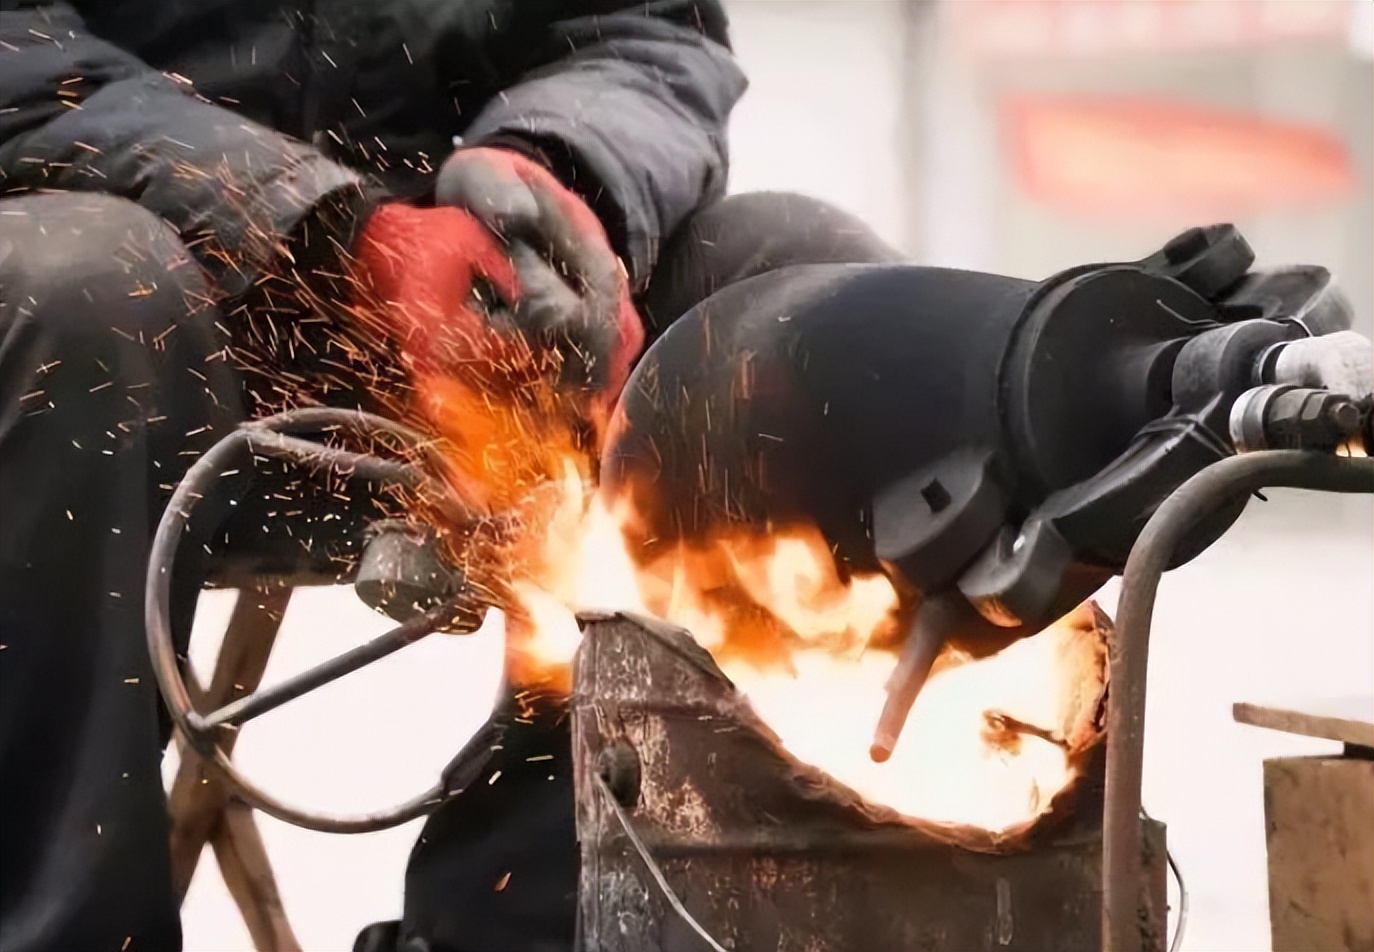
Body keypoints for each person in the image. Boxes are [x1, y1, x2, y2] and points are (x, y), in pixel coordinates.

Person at [0, 3, 901, 951]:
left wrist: (553, 182)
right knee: (76, 290)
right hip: (131, 296)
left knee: (795, 301)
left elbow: (646, 29)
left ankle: (529, 922)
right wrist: (334, 231)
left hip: (463, 301)